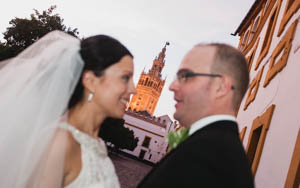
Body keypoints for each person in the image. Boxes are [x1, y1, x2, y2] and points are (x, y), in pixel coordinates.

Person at [0, 30, 136, 188]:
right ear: (91, 81)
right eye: (125, 78)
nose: (133, 89)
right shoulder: (59, 144)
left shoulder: (97, 144)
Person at [138, 43, 255, 188]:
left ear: (220, 87)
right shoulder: (214, 150)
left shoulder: (204, 157)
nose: (172, 86)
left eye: (186, 76)